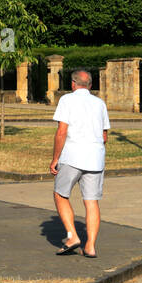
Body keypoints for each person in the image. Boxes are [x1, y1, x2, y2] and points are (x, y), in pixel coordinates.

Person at [49, 69, 110, 258]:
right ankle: (90, 246)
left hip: (73, 156)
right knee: (91, 201)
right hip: (95, 158)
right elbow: (104, 136)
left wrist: (55, 158)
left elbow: (61, 132)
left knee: (60, 194)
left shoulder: (67, 100)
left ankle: (72, 236)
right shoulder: (100, 103)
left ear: (73, 84)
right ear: (90, 85)